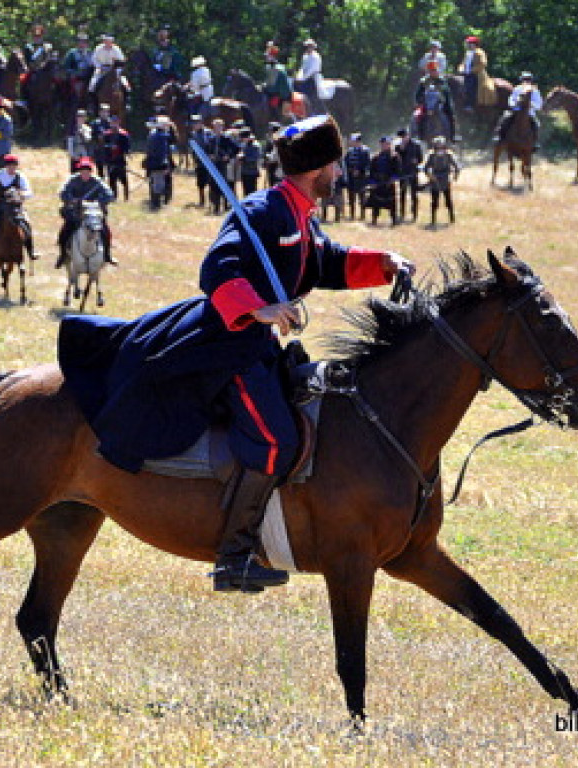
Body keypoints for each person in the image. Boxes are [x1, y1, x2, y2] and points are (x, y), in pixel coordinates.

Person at [57, 115, 413, 593]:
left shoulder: (300, 213)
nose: (340, 173)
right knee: (273, 440)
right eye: (335, 164)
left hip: (256, 344)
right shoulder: (264, 211)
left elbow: (324, 259)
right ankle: (235, 554)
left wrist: (383, 264)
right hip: (228, 345)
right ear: (318, 169)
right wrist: (261, 308)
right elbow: (217, 269)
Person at [56, 157, 116, 267]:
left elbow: (110, 195)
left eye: (87, 171)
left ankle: (107, 255)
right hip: (76, 214)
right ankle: (63, 255)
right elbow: (62, 193)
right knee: (64, 232)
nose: (85, 173)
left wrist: (97, 201)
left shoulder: (97, 181)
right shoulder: (72, 180)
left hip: (93, 213)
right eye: (83, 171)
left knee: (105, 231)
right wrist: (73, 200)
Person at [494, 72, 542, 147]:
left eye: (528, 80)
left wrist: (531, 104)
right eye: (524, 79)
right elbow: (511, 100)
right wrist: (515, 103)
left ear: (531, 81)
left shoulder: (535, 91)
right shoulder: (517, 89)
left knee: (536, 124)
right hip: (516, 111)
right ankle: (499, 137)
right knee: (504, 119)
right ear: (522, 80)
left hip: (529, 113)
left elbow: (539, 104)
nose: (526, 81)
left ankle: (535, 142)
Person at [422, 136, 460, 226]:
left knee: (448, 201)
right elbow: (425, 168)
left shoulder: (448, 155)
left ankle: (452, 219)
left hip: (445, 180)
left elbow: (456, 166)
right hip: (435, 180)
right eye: (437, 145)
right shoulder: (431, 155)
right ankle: (433, 220)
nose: (439, 146)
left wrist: (455, 175)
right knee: (434, 202)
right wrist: (430, 176)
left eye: (441, 144)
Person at [414, 64, 456, 142]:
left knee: (450, 115)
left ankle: (451, 136)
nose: (434, 72)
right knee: (417, 117)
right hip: (426, 105)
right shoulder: (424, 81)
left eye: (435, 70)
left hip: (439, 104)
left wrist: (444, 100)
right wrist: (420, 101)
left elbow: (446, 93)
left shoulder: (442, 81)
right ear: (429, 71)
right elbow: (418, 94)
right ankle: (418, 135)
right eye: (432, 70)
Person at [205, 118, 239, 214]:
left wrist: (228, 156)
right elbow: (206, 150)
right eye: (215, 126)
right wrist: (209, 155)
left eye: (219, 126)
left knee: (224, 185)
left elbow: (236, 149)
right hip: (213, 165)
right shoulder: (210, 139)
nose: (217, 128)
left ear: (222, 127)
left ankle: (225, 205)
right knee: (213, 185)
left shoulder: (226, 139)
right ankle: (215, 206)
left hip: (223, 165)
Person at [366, 136, 401, 226]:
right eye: (383, 144)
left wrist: (393, 178)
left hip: (389, 183)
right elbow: (372, 171)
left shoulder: (395, 156)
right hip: (378, 183)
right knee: (376, 202)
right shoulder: (376, 157)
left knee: (392, 202)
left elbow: (398, 170)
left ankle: (393, 219)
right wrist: (372, 182)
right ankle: (374, 219)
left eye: (387, 144)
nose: (385, 146)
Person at [89, 34, 127, 111]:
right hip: (101, 69)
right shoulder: (98, 48)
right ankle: (92, 105)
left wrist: (116, 67)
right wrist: (99, 66)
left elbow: (122, 60)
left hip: (114, 69)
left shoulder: (116, 49)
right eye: (106, 41)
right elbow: (94, 59)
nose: (108, 43)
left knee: (126, 85)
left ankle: (127, 103)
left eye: (109, 41)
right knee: (92, 85)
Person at [457, 35, 494, 111]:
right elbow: (463, 63)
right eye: (468, 43)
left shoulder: (480, 52)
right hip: (466, 73)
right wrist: (460, 69)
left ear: (474, 44)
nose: (468, 45)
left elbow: (483, 64)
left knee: (471, 86)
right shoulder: (468, 53)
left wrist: (471, 70)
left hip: (477, 74)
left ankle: (470, 104)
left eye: (469, 43)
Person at [395, 128, 424, 222]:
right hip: (402, 173)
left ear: (408, 135)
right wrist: (401, 150)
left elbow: (421, 159)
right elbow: (396, 159)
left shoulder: (416, 145)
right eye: (402, 137)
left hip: (412, 172)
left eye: (405, 136)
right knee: (402, 193)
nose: (404, 138)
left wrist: (416, 161)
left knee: (414, 194)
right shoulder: (398, 147)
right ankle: (402, 213)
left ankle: (414, 214)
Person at [144, 115, 175, 204]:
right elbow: (162, 153)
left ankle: (156, 201)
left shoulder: (153, 135)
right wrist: (164, 165)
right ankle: (156, 204)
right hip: (158, 163)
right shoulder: (161, 136)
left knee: (156, 183)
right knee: (158, 185)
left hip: (153, 162)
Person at [102, 114, 131, 199]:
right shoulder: (106, 134)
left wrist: (121, 149)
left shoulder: (124, 134)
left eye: (116, 122)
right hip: (110, 161)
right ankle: (113, 197)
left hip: (120, 161)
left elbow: (127, 147)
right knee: (112, 180)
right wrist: (109, 147)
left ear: (119, 123)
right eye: (112, 122)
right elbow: (103, 146)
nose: (114, 124)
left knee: (124, 181)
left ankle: (126, 197)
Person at [262, 42, 292, 121]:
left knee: (276, 107)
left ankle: (279, 119)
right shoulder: (268, 67)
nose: (266, 57)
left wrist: (266, 87)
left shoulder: (279, 69)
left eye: (268, 56)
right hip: (272, 91)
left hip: (282, 93)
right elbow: (268, 81)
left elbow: (276, 86)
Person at [343, 132, 370, 220]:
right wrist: (350, 171)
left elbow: (367, 164)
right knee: (351, 197)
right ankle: (352, 214)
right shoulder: (350, 151)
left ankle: (362, 214)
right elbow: (346, 163)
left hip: (361, 177)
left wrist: (360, 171)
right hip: (351, 177)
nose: (351, 142)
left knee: (362, 197)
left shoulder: (365, 150)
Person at [62, 31, 95, 97]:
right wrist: (74, 72)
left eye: (84, 42)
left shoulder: (91, 53)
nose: (82, 44)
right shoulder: (72, 53)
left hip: (88, 76)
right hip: (76, 76)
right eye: (80, 42)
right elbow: (66, 67)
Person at [296, 39, 323, 115]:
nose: (308, 48)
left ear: (313, 47)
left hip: (313, 77)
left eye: (310, 46)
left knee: (312, 92)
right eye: (307, 46)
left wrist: (303, 78)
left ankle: (314, 110)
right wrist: (298, 76)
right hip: (305, 77)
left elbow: (312, 70)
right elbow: (302, 68)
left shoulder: (316, 57)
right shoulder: (305, 56)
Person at [190, 114, 212, 206]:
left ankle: (212, 200)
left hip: (209, 161)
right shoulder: (193, 134)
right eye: (194, 123)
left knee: (211, 182)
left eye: (197, 122)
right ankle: (202, 200)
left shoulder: (208, 133)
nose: (195, 124)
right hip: (199, 162)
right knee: (200, 183)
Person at [66, 108, 94, 173]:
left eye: (83, 116)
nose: (81, 118)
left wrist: (83, 133)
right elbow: (70, 141)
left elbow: (88, 140)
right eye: (79, 116)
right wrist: (72, 154)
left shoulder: (87, 128)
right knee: (74, 173)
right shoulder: (72, 128)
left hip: (84, 153)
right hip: (75, 152)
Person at [236, 126, 262, 196]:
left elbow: (255, 158)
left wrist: (243, 157)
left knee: (252, 190)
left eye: (244, 137)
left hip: (252, 171)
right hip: (244, 171)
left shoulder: (255, 145)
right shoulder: (243, 145)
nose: (242, 139)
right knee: (246, 191)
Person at [89, 103, 113, 176]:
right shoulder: (95, 123)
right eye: (103, 111)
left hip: (109, 150)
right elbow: (91, 136)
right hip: (99, 150)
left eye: (107, 111)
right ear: (99, 113)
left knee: (111, 172)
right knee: (100, 171)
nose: (105, 114)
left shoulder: (111, 123)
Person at [262, 121, 283, 187]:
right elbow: (266, 150)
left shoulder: (280, 139)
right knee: (272, 180)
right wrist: (265, 158)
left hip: (278, 164)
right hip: (271, 164)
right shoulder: (269, 139)